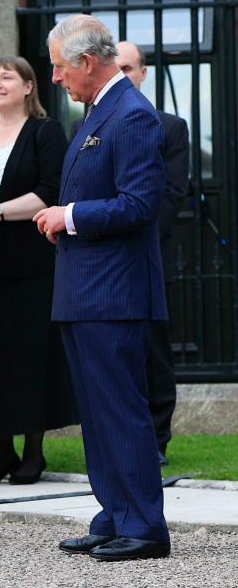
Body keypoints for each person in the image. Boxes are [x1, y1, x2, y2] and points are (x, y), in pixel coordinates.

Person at [34, 14, 171, 561]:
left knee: (120, 410)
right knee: (96, 411)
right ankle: (113, 514)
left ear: (88, 62)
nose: (56, 78)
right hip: (85, 288)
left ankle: (145, 526)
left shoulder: (132, 115)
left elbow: (140, 205)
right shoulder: (97, 112)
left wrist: (68, 216)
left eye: (59, 67)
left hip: (113, 294)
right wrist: (67, 220)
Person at [0, 56, 76, 484]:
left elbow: (51, 190)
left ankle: (33, 453)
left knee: (27, 357)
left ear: (28, 86)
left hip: (27, 265)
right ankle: (1, 452)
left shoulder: (45, 132)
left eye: (6, 76)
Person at [115, 40, 189, 467]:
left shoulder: (171, 127)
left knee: (154, 348)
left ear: (142, 74)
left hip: (151, 255)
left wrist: (130, 237)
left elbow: (170, 195)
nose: (123, 75)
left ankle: (157, 437)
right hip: (105, 260)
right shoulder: (87, 127)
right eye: (117, 67)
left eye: (130, 68)